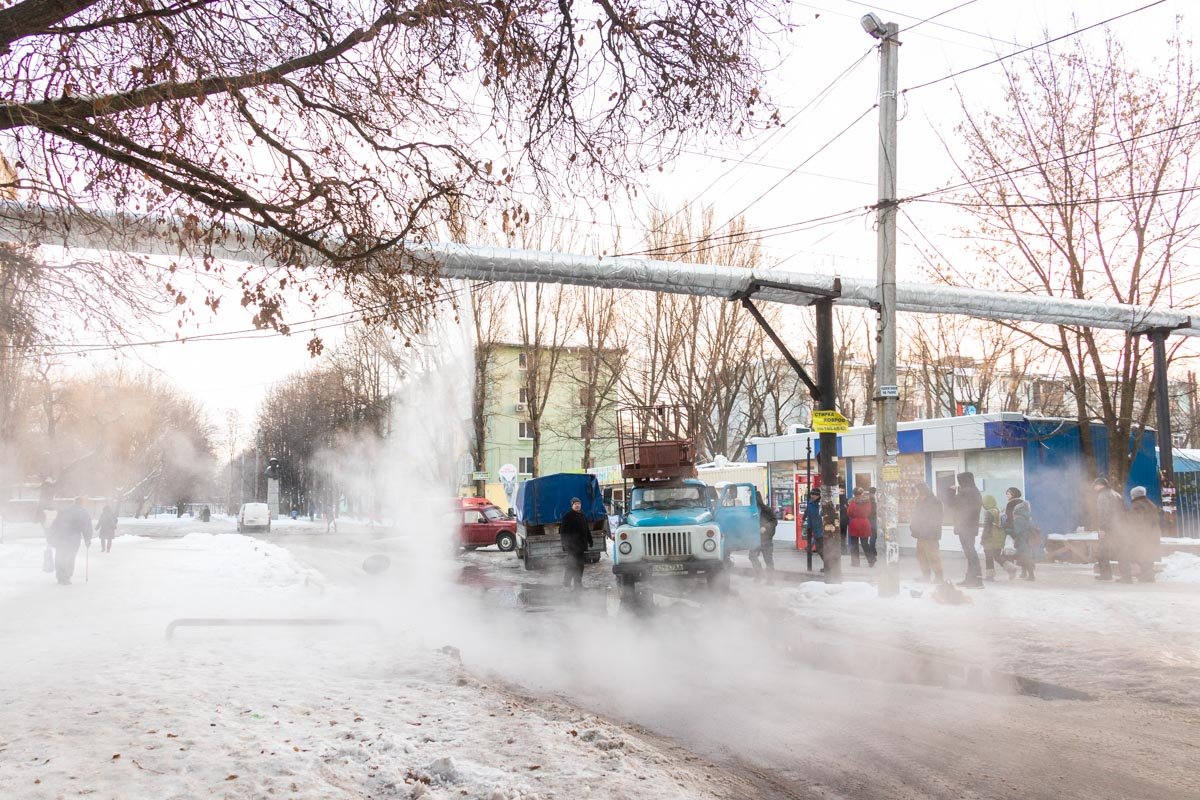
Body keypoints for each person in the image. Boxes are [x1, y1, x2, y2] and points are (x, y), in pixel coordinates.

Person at [948, 471, 984, 588]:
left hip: (966, 527)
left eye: (960, 480)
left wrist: (952, 492)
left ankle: (978, 580)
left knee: (971, 553)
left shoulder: (968, 492)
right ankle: (970, 578)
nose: (959, 483)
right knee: (970, 553)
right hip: (969, 527)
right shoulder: (973, 491)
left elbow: (953, 504)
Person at [50, 496, 92, 585]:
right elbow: (87, 527)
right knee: (70, 556)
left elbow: (55, 524)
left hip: (61, 537)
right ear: (82, 503)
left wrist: (52, 536)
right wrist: (87, 540)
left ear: (74, 502)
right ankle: (66, 576)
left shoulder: (64, 511)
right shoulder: (84, 513)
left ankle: (60, 576)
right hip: (74, 538)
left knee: (60, 556)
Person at [1093, 477, 1127, 581]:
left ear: (1100, 485)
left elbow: (1103, 513)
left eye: (1095, 485)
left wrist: (1102, 528)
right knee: (1121, 551)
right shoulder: (1116, 494)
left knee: (1102, 551)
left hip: (1108, 528)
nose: (1094, 487)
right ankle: (1126, 576)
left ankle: (1106, 575)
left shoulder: (1103, 495)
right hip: (1119, 527)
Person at [909, 483, 944, 583]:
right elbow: (916, 515)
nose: (918, 495)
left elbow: (936, 518)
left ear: (923, 492)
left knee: (933, 556)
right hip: (921, 534)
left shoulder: (935, 502)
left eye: (919, 493)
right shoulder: (920, 501)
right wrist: (913, 526)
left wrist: (929, 529)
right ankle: (926, 576)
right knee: (921, 555)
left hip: (930, 534)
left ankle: (939, 577)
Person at [1125, 486, 1159, 583]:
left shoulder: (1136, 505)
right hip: (1153, 534)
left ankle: (1146, 577)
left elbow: (1136, 522)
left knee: (1141, 555)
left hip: (1142, 535)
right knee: (1149, 555)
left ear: (1134, 495)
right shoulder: (1151, 504)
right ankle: (1149, 576)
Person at [981, 494, 1017, 581]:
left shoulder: (989, 512)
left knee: (989, 557)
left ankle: (990, 576)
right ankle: (1010, 568)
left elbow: (987, 528)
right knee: (997, 555)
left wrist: (983, 539)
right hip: (1000, 537)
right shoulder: (998, 510)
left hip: (990, 538)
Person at [1002, 487, 1036, 581]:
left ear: (1013, 494)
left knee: (1014, 553)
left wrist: (1006, 529)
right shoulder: (1023, 504)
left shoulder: (1011, 504)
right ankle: (1024, 572)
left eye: (1008, 493)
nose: (1007, 495)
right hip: (1025, 534)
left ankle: (1022, 573)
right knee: (1024, 553)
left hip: (1016, 532)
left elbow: (1009, 519)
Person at [560, 496, 593, 591]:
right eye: (575, 504)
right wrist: (565, 545)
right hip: (572, 547)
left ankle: (578, 585)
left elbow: (586, 529)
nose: (577, 505)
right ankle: (566, 585)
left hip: (581, 547)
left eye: (579, 504)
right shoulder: (568, 516)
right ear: (572, 505)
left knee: (580, 566)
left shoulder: (582, 515)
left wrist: (590, 540)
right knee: (571, 566)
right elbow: (563, 532)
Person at [748, 494, 777, 580]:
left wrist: (766, 527)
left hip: (766, 539)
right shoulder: (750, 511)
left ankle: (771, 579)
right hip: (754, 539)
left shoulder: (767, 510)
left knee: (768, 560)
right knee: (752, 556)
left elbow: (774, 521)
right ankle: (759, 575)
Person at [846, 487, 876, 567]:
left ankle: (855, 562)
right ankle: (871, 559)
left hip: (855, 523)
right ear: (861, 493)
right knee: (865, 543)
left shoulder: (852, 502)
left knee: (854, 544)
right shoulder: (867, 502)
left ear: (854, 494)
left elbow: (849, 513)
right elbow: (869, 512)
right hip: (864, 523)